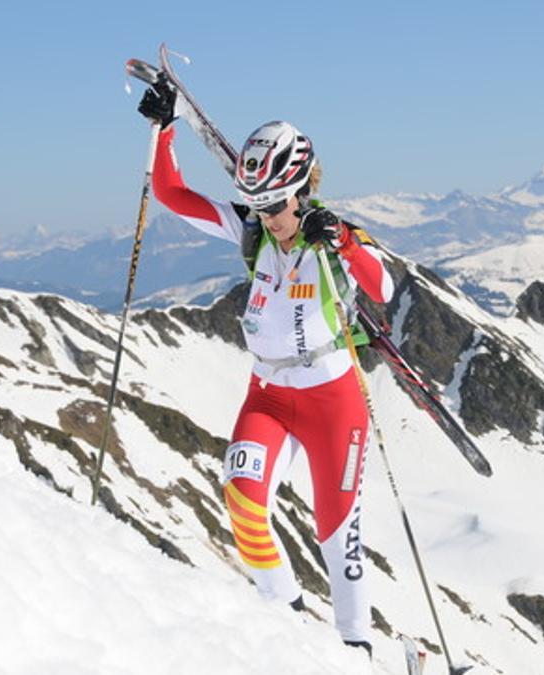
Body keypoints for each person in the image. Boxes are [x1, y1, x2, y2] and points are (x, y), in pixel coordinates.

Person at [138, 78, 394, 654]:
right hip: (270, 395)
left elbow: (382, 286)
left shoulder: (331, 234)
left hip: (332, 399)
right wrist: (163, 128)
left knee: (338, 539)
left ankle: (358, 649)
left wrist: (347, 243)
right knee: (243, 499)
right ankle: (288, 625)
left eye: (275, 204)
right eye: (257, 204)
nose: (268, 215)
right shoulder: (253, 229)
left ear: (301, 189)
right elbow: (173, 194)